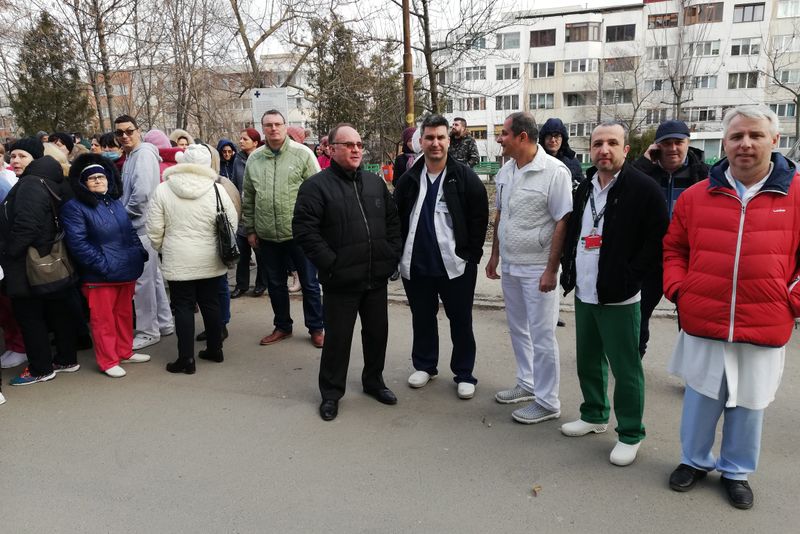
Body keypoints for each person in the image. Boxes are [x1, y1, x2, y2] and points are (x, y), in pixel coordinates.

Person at [663, 105, 800, 510]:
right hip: (705, 316)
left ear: (774, 140)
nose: (745, 144)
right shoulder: (695, 196)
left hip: (765, 320)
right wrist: (680, 289)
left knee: (750, 402)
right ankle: (693, 460)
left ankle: (736, 471)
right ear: (724, 142)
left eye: (755, 135)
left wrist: (791, 300)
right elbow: (674, 249)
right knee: (701, 396)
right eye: (737, 136)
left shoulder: (796, 195)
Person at [559, 121, 668, 466]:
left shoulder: (643, 188)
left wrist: (632, 277)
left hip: (620, 295)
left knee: (626, 368)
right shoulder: (585, 186)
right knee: (588, 359)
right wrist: (568, 270)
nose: (604, 150)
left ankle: (631, 433)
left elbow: (657, 240)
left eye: (612, 143)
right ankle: (594, 414)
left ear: (626, 149)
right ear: (590, 149)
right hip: (586, 289)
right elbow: (575, 230)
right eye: (597, 144)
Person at [293, 123, 402, 421]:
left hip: (375, 277)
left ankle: (374, 381)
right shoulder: (316, 187)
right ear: (331, 149)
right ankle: (331, 393)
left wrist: (390, 255)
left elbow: (393, 221)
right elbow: (304, 231)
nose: (356, 150)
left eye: (359, 144)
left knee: (377, 334)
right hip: (340, 281)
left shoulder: (374, 183)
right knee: (338, 340)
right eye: (348, 144)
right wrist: (332, 263)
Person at [394, 114, 489, 399]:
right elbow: (396, 218)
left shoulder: (465, 177)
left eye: (440, 137)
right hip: (417, 264)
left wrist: (471, 256)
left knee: (461, 321)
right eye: (429, 138)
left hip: (456, 265)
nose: (435, 143)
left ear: (449, 141)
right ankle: (425, 365)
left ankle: (464, 373)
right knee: (422, 318)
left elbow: (479, 218)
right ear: (421, 142)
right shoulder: (409, 179)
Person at [486, 112, 572, 423]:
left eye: (504, 133)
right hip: (511, 266)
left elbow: (563, 220)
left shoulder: (554, 172)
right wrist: (495, 256)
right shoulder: (506, 171)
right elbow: (501, 215)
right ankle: (527, 382)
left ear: (522, 137)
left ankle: (548, 402)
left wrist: (551, 269)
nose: (499, 139)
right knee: (518, 329)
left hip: (538, 268)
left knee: (543, 334)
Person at [146, 144, 238, 374]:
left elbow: (154, 228)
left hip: (178, 257)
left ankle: (186, 359)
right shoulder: (217, 189)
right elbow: (231, 222)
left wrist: (162, 247)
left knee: (183, 307)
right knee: (211, 303)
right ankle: (215, 349)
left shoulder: (163, 189)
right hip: (210, 257)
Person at [61, 154, 150, 378]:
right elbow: (78, 243)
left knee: (123, 315)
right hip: (100, 275)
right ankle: (108, 360)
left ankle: (124, 351)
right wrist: (102, 265)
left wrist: (139, 252)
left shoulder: (114, 202)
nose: (99, 181)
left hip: (126, 269)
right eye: (92, 178)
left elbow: (129, 231)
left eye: (101, 177)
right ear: (83, 183)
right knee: (103, 320)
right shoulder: (74, 207)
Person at [242, 109, 324, 347]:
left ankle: (316, 327)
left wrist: (315, 228)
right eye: (268, 125)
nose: (274, 128)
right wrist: (251, 229)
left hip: (300, 234)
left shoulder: (303, 154)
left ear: (285, 126)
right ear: (263, 129)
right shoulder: (255, 159)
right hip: (267, 234)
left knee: (309, 283)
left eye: (278, 124)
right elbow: (249, 196)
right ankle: (282, 326)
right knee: (276, 284)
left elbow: (319, 193)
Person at [0, 150, 79, 386]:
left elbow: (27, 226)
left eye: (22, 156)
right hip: (48, 258)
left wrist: (8, 252)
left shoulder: (30, 184)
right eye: (13, 156)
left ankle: (41, 368)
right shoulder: (46, 179)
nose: (15, 160)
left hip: (28, 261)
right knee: (57, 310)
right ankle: (65, 359)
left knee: (29, 315)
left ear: (35, 159)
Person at [632, 119, 708, 358]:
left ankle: (693, 370)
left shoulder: (703, 175)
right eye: (666, 143)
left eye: (678, 142)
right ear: (657, 146)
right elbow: (623, 188)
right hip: (651, 256)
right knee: (638, 313)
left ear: (688, 143)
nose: (673, 148)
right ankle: (633, 361)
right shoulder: (645, 173)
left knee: (690, 318)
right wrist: (644, 163)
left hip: (688, 258)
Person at [115, 114, 175, 351]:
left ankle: (148, 331)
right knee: (153, 278)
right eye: (119, 133)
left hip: (141, 228)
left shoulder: (143, 155)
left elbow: (141, 196)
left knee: (143, 282)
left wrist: (122, 216)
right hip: (141, 227)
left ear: (138, 130)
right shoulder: (132, 156)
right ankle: (164, 322)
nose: (125, 136)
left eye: (129, 131)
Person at [231, 128, 268, 298]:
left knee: (260, 252)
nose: (241, 141)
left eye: (245, 139)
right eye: (240, 138)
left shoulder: (262, 158)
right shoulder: (237, 160)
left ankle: (261, 283)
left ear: (255, 142)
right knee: (242, 252)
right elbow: (234, 184)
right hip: (242, 212)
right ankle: (241, 285)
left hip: (259, 211)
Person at [538, 118, 584, 190]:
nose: (553, 140)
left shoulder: (573, 163)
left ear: (563, 139)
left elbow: (582, 189)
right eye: (549, 136)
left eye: (556, 136)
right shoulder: (536, 161)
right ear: (543, 139)